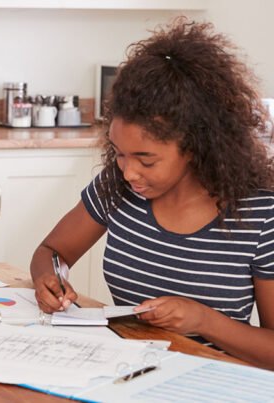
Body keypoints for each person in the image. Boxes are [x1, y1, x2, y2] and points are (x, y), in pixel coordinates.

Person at [30, 18, 274, 369]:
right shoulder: (117, 188)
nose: (128, 171)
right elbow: (53, 250)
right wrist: (49, 280)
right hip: (122, 369)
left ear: (195, 146)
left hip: (209, 381)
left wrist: (203, 321)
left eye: (146, 159)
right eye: (119, 152)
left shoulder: (259, 216)